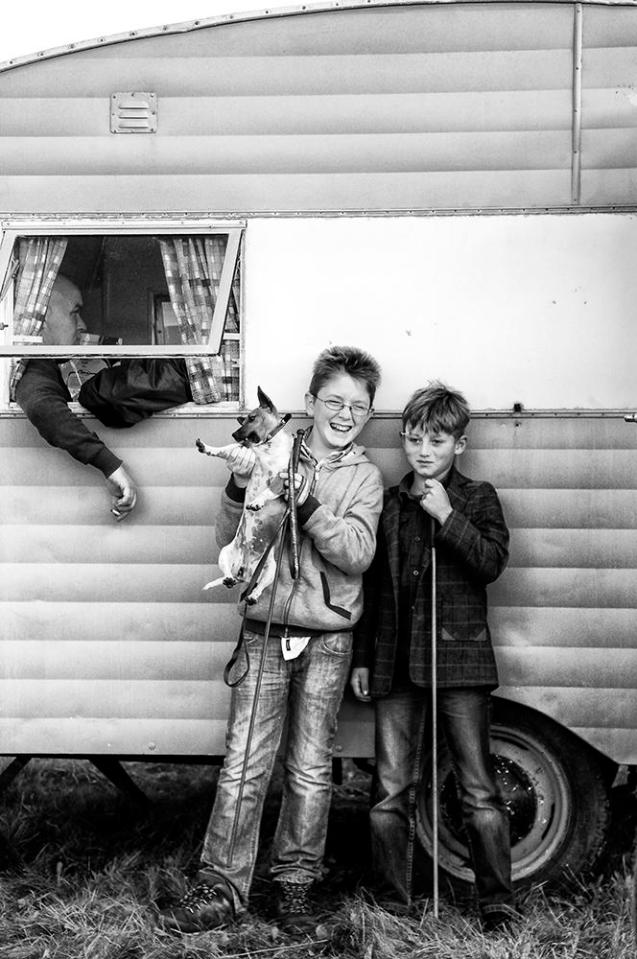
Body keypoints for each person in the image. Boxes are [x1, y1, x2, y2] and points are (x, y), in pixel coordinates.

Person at [160, 345, 384, 935]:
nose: (343, 413)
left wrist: (305, 502)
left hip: (329, 639)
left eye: (357, 405)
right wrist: (241, 486)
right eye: (332, 400)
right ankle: (219, 888)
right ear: (309, 402)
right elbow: (227, 537)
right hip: (264, 630)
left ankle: (295, 885)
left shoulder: (366, 477)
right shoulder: (274, 452)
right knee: (244, 764)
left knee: (310, 767)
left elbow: (357, 554)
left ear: (369, 413)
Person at [350, 381, 517, 931]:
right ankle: (392, 902)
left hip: (460, 665)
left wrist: (447, 516)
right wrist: (362, 660)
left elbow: (491, 563)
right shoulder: (391, 502)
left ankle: (496, 904)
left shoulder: (477, 497)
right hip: (396, 663)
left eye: (437, 442)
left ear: (459, 446)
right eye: (414, 439)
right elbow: (374, 587)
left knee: (478, 789)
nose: (423, 451)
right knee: (389, 790)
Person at [15, 274, 192, 519]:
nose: (83, 325)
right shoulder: (33, 367)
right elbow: (41, 407)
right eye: (74, 313)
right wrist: (110, 465)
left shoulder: (48, 364)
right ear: (42, 317)